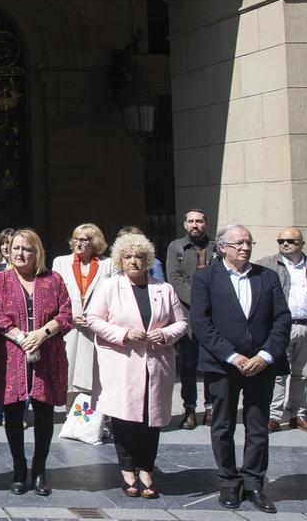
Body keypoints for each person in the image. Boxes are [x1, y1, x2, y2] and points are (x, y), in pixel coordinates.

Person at [194, 224, 290, 514]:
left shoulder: (268, 277)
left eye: (249, 243)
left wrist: (264, 355)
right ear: (222, 247)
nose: (245, 248)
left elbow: (282, 320)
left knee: (257, 425)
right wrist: (232, 356)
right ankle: (229, 481)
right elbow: (201, 322)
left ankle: (253, 484)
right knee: (222, 425)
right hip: (223, 365)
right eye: (238, 243)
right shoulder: (206, 278)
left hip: (261, 365)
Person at [85, 233, 187, 499]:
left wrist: (165, 334)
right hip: (122, 362)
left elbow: (182, 323)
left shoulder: (163, 289)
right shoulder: (109, 287)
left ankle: (146, 468)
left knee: (151, 420)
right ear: (120, 260)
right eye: (128, 257)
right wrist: (123, 334)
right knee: (124, 419)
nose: (133, 261)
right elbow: (93, 319)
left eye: (139, 257)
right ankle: (127, 469)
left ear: (148, 260)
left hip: (156, 364)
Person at [0, 228, 73, 496]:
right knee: (13, 414)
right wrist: (23, 338)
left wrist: (42, 333)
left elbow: (66, 313)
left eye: (26, 249)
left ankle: (40, 469)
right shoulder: (0, 279)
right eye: (16, 248)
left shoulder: (53, 279)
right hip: (11, 356)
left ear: (37, 253)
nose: (20, 253)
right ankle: (19, 468)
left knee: (44, 413)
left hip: (47, 354)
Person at [255, 227, 307, 434]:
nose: (285, 244)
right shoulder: (266, 265)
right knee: (277, 374)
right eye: (281, 240)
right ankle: (274, 416)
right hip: (279, 328)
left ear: (302, 244)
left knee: (302, 374)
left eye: (291, 241)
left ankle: (298, 415)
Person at [52, 223, 116, 402]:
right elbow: (54, 294)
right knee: (70, 376)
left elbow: (114, 295)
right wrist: (70, 316)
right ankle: (72, 421)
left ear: (94, 241)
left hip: (97, 329)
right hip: (70, 327)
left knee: (98, 378)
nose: (78, 243)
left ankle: (99, 422)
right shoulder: (60, 262)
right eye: (75, 239)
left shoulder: (108, 264)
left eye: (84, 239)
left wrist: (100, 318)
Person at [166, 208, 218, 429]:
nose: (195, 225)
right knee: (188, 364)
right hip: (187, 314)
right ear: (185, 224)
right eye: (190, 221)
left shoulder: (217, 248)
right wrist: (198, 302)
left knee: (212, 363)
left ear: (206, 223)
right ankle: (189, 408)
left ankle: (211, 407)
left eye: (199, 221)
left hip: (214, 315)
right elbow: (175, 279)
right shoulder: (176, 247)